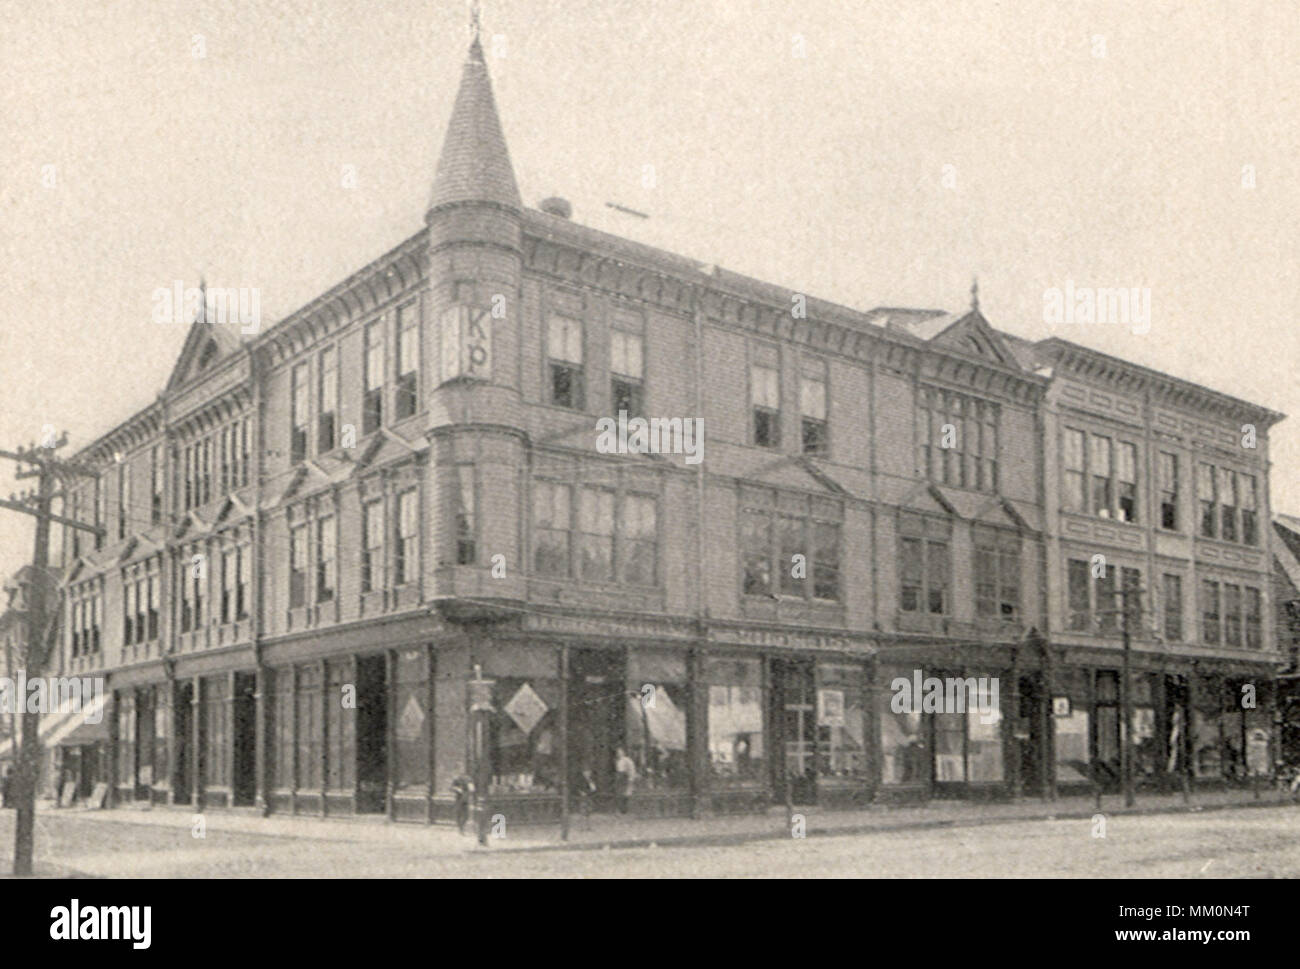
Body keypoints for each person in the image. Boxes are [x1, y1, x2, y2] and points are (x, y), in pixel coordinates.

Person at [614, 746, 637, 814]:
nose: (618, 754)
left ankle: (624, 810)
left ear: (623, 753)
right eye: (617, 752)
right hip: (628, 778)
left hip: (626, 778)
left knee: (624, 793)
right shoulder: (622, 760)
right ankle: (624, 809)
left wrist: (619, 779)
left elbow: (622, 772)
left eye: (620, 752)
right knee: (626, 793)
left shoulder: (624, 760)